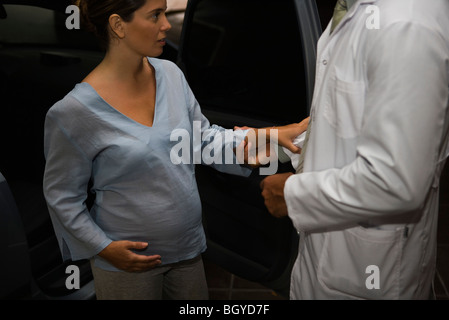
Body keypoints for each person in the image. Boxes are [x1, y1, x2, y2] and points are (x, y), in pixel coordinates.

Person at [43, 0, 306, 300]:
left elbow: (202, 141)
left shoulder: (170, 74)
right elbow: (62, 196)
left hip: (188, 251)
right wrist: (104, 249)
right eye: (155, 15)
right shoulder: (73, 112)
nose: (167, 24)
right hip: (128, 265)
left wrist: (270, 136)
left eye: (165, 12)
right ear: (118, 25)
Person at [260, 0, 449, 299]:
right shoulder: (355, 9)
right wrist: (286, 146)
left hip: (368, 274)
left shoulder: (406, 24)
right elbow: (355, 122)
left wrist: (293, 195)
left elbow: (397, 181)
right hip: (330, 258)